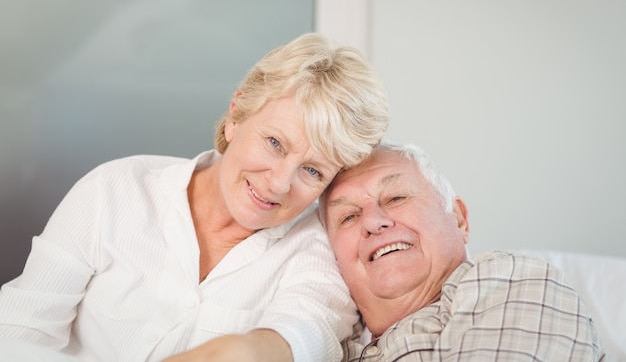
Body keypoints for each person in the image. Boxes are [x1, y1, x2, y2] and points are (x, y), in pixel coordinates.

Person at [0, 32, 390, 362]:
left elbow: (303, 334)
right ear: (237, 114)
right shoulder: (114, 190)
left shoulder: (319, 251)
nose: (278, 184)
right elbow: (21, 333)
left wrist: (248, 350)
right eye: (275, 143)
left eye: (312, 171)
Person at [320, 141, 606, 362]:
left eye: (396, 197)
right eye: (348, 217)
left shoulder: (510, 280)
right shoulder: (322, 341)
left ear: (459, 219)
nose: (372, 221)